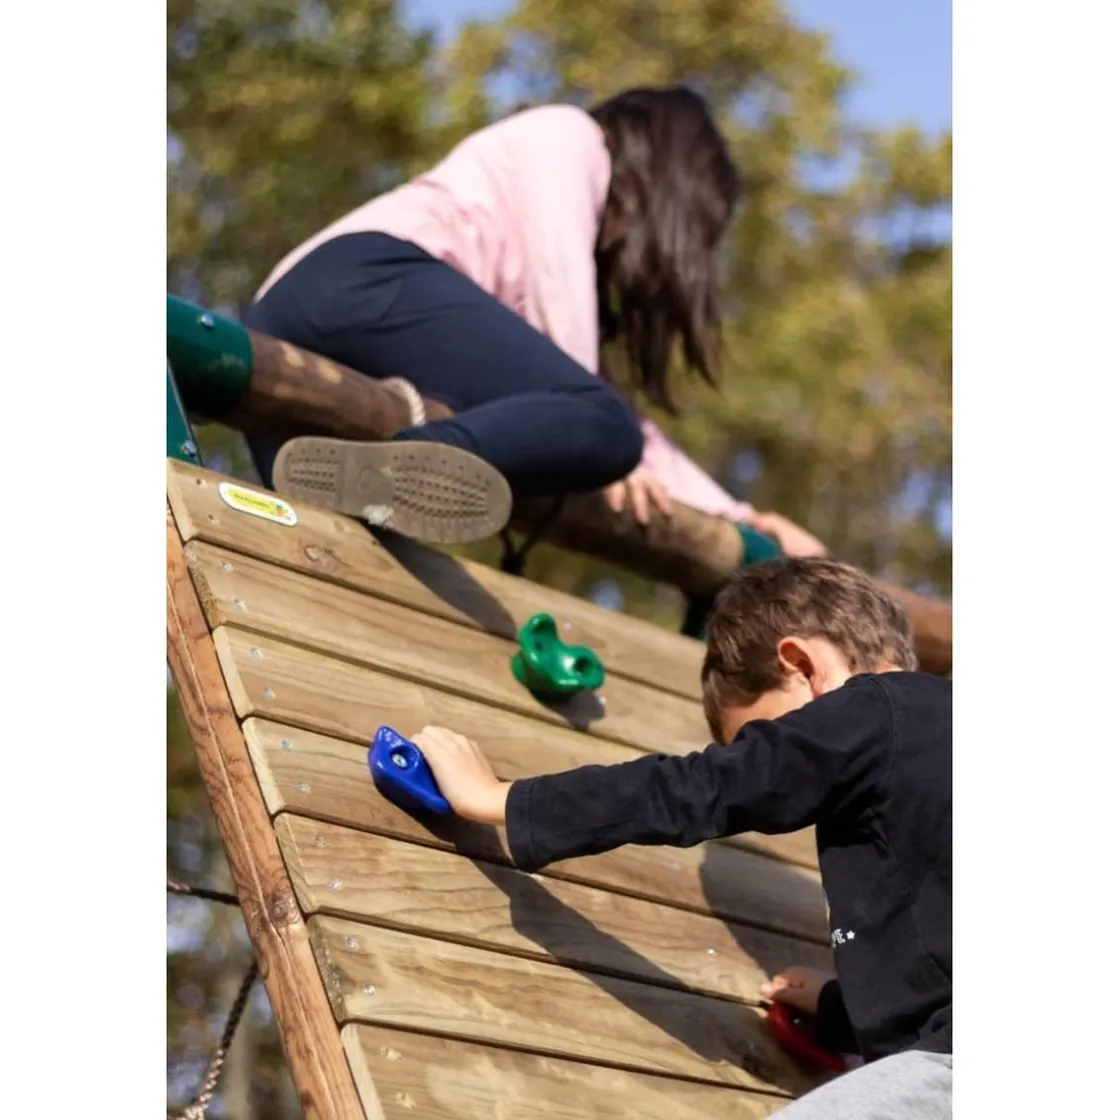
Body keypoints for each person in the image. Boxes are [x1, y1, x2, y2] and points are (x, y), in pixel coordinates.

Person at [411, 558, 951, 1118]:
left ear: (801, 665)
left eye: (765, 738)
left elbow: (703, 788)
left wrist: (506, 799)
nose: (766, 756)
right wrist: (842, 1008)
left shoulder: (867, 710)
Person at [244, 84, 821, 550]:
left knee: (340, 552)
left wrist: (739, 516)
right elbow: (570, 326)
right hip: (357, 277)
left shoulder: (538, 252)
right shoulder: (569, 136)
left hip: (291, 314)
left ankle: (376, 474)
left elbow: (619, 423)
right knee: (599, 421)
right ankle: (406, 464)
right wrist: (596, 437)